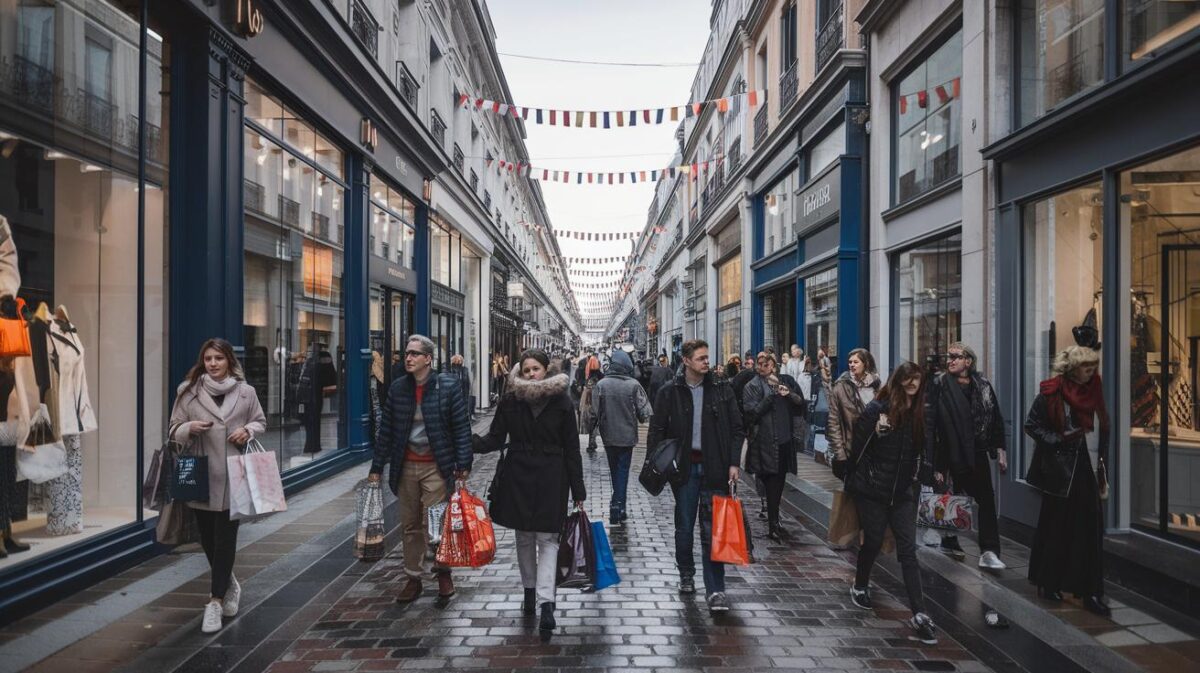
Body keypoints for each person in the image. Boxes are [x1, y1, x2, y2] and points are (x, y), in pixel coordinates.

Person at [473, 349, 585, 636]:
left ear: (546, 370)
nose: (531, 374)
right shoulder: (511, 400)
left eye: (536, 368)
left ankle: (547, 603)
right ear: (520, 373)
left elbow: (572, 447)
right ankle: (529, 591)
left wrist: (578, 489)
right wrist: (466, 441)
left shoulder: (561, 400)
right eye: (526, 370)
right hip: (519, 474)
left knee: (548, 539)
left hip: (552, 476)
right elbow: (495, 437)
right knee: (524, 537)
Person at [168, 338, 267, 633]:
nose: (213, 364)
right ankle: (230, 584)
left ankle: (214, 601)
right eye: (208, 359)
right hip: (201, 473)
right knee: (208, 538)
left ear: (229, 362)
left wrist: (247, 430)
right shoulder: (188, 392)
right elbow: (173, 428)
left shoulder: (245, 392)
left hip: (233, 474)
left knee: (225, 537)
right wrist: (188, 428)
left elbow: (260, 421)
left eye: (219, 359)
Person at [368, 335, 473, 603]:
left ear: (428, 358)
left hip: (436, 467)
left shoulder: (447, 387)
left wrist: (463, 464)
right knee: (410, 525)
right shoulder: (398, 388)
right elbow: (387, 431)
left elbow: (461, 428)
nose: (409, 358)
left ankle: (442, 573)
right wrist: (377, 467)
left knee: (435, 524)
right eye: (407, 354)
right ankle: (413, 577)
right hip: (406, 467)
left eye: (415, 354)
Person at [842, 361, 937, 645]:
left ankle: (919, 613)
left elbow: (923, 449)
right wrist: (877, 431)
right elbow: (857, 451)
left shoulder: (921, 413)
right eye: (907, 379)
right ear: (897, 381)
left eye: (916, 380)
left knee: (908, 551)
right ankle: (860, 584)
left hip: (902, 493)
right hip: (872, 490)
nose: (912, 384)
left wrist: (924, 476)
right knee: (872, 541)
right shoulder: (877, 409)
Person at [647, 339, 744, 613]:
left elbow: (738, 428)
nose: (706, 362)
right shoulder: (670, 392)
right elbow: (657, 430)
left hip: (715, 468)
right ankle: (686, 574)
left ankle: (716, 590)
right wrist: (658, 464)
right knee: (685, 526)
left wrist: (734, 463)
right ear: (686, 361)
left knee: (712, 530)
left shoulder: (722, 390)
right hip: (685, 470)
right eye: (700, 358)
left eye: (707, 357)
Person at [1024, 345, 1110, 616]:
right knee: (1056, 527)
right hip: (1061, 470)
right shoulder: (1052, 391)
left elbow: (1101, 428)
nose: (1092, 372)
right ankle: (1049, 582)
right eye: (1087, 367)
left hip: (1089, 468)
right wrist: (1056, 441)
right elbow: (1032, 425)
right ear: (1073, 368)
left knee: (1090, 530)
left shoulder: (1095, 390)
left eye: (1094, 367)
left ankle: (1090, 592)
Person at [927, 343, 1008, 568]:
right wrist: (931, 461)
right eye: (949, 357)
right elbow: (929, 422)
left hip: (977, 452)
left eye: (956, 357)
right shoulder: (939, 384)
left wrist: (1000, 449)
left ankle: (989, 551)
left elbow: (995, 418)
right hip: (947, 451)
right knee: (950, 498)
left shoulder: (982, 386)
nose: (950, 360)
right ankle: (950, 540)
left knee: (986, 500)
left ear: (968, 362)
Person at [742, 352, 805, 539]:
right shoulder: (752, 386)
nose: (761, 367)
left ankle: (775, 520)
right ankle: (773, 523)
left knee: (779, 483)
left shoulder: (784, 381)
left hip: (785, 440)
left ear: (773, 365)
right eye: (759, 364)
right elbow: (752, 413)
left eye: (765, 364)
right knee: (770, 483)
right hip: (766, 442)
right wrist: (771, 395)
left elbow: (799, 404)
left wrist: (788, 393)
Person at [592, 349, 652, 525]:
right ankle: (618, 506)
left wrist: (592, 434)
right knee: (623, 470)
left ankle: (617, 504)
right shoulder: (634, 385)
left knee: (614, 469)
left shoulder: (601, 385)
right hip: (627, 436)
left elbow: (594, 412)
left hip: (608, 435)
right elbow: (645, 412)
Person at [825, 348, 881, 466]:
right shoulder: (840, 387)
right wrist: (840, 454)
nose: (852, 365)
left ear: (865, 363)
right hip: (851, 447)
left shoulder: (876, 385)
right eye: (850, 362)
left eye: (856, 362)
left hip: (874, 444)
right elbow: (833, 422)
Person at [448, 354, 472, 418]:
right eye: (457, 361)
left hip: (463, 393)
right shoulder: (450, 370)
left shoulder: (465, 370)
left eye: (460, 361)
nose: (459, 362)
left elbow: (467, 382)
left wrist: (468, 392)